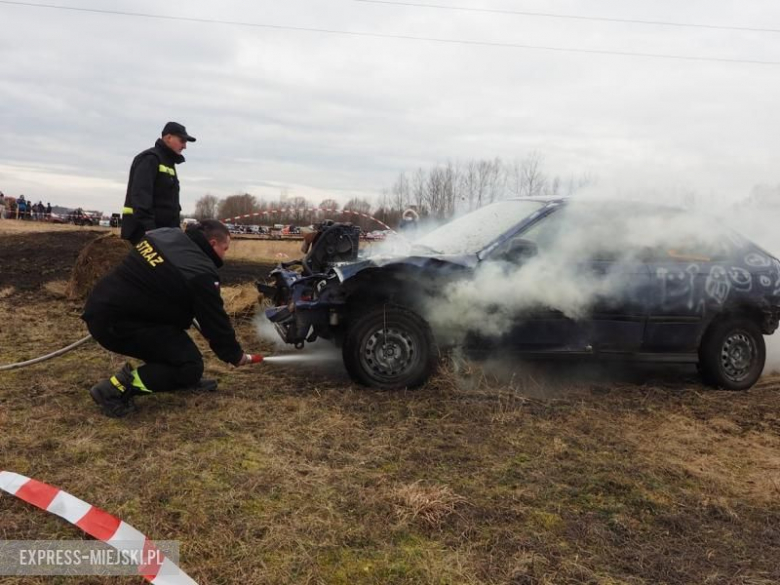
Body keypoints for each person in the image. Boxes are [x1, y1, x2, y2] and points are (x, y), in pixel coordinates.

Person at [82, 220, 256, 418]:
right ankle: (114, 388)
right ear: (213, 243)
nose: (225, 255)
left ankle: (182, 380)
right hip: (119, 324)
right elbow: (214, 322)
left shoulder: (165, 233)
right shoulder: (201, 272)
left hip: (102, 306)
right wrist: (234, 355)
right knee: (190, 366)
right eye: (225, 249)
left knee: (180, 350)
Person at [121, 121, 196, 245]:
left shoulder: (168, 163)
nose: (185, 146)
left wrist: (175, 230)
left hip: (162, 234)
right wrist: (151, 230)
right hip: (143, 234)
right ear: (168, 137)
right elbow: (141, 198)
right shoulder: (150, 159)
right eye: (182, 141)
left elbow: (169, 205)